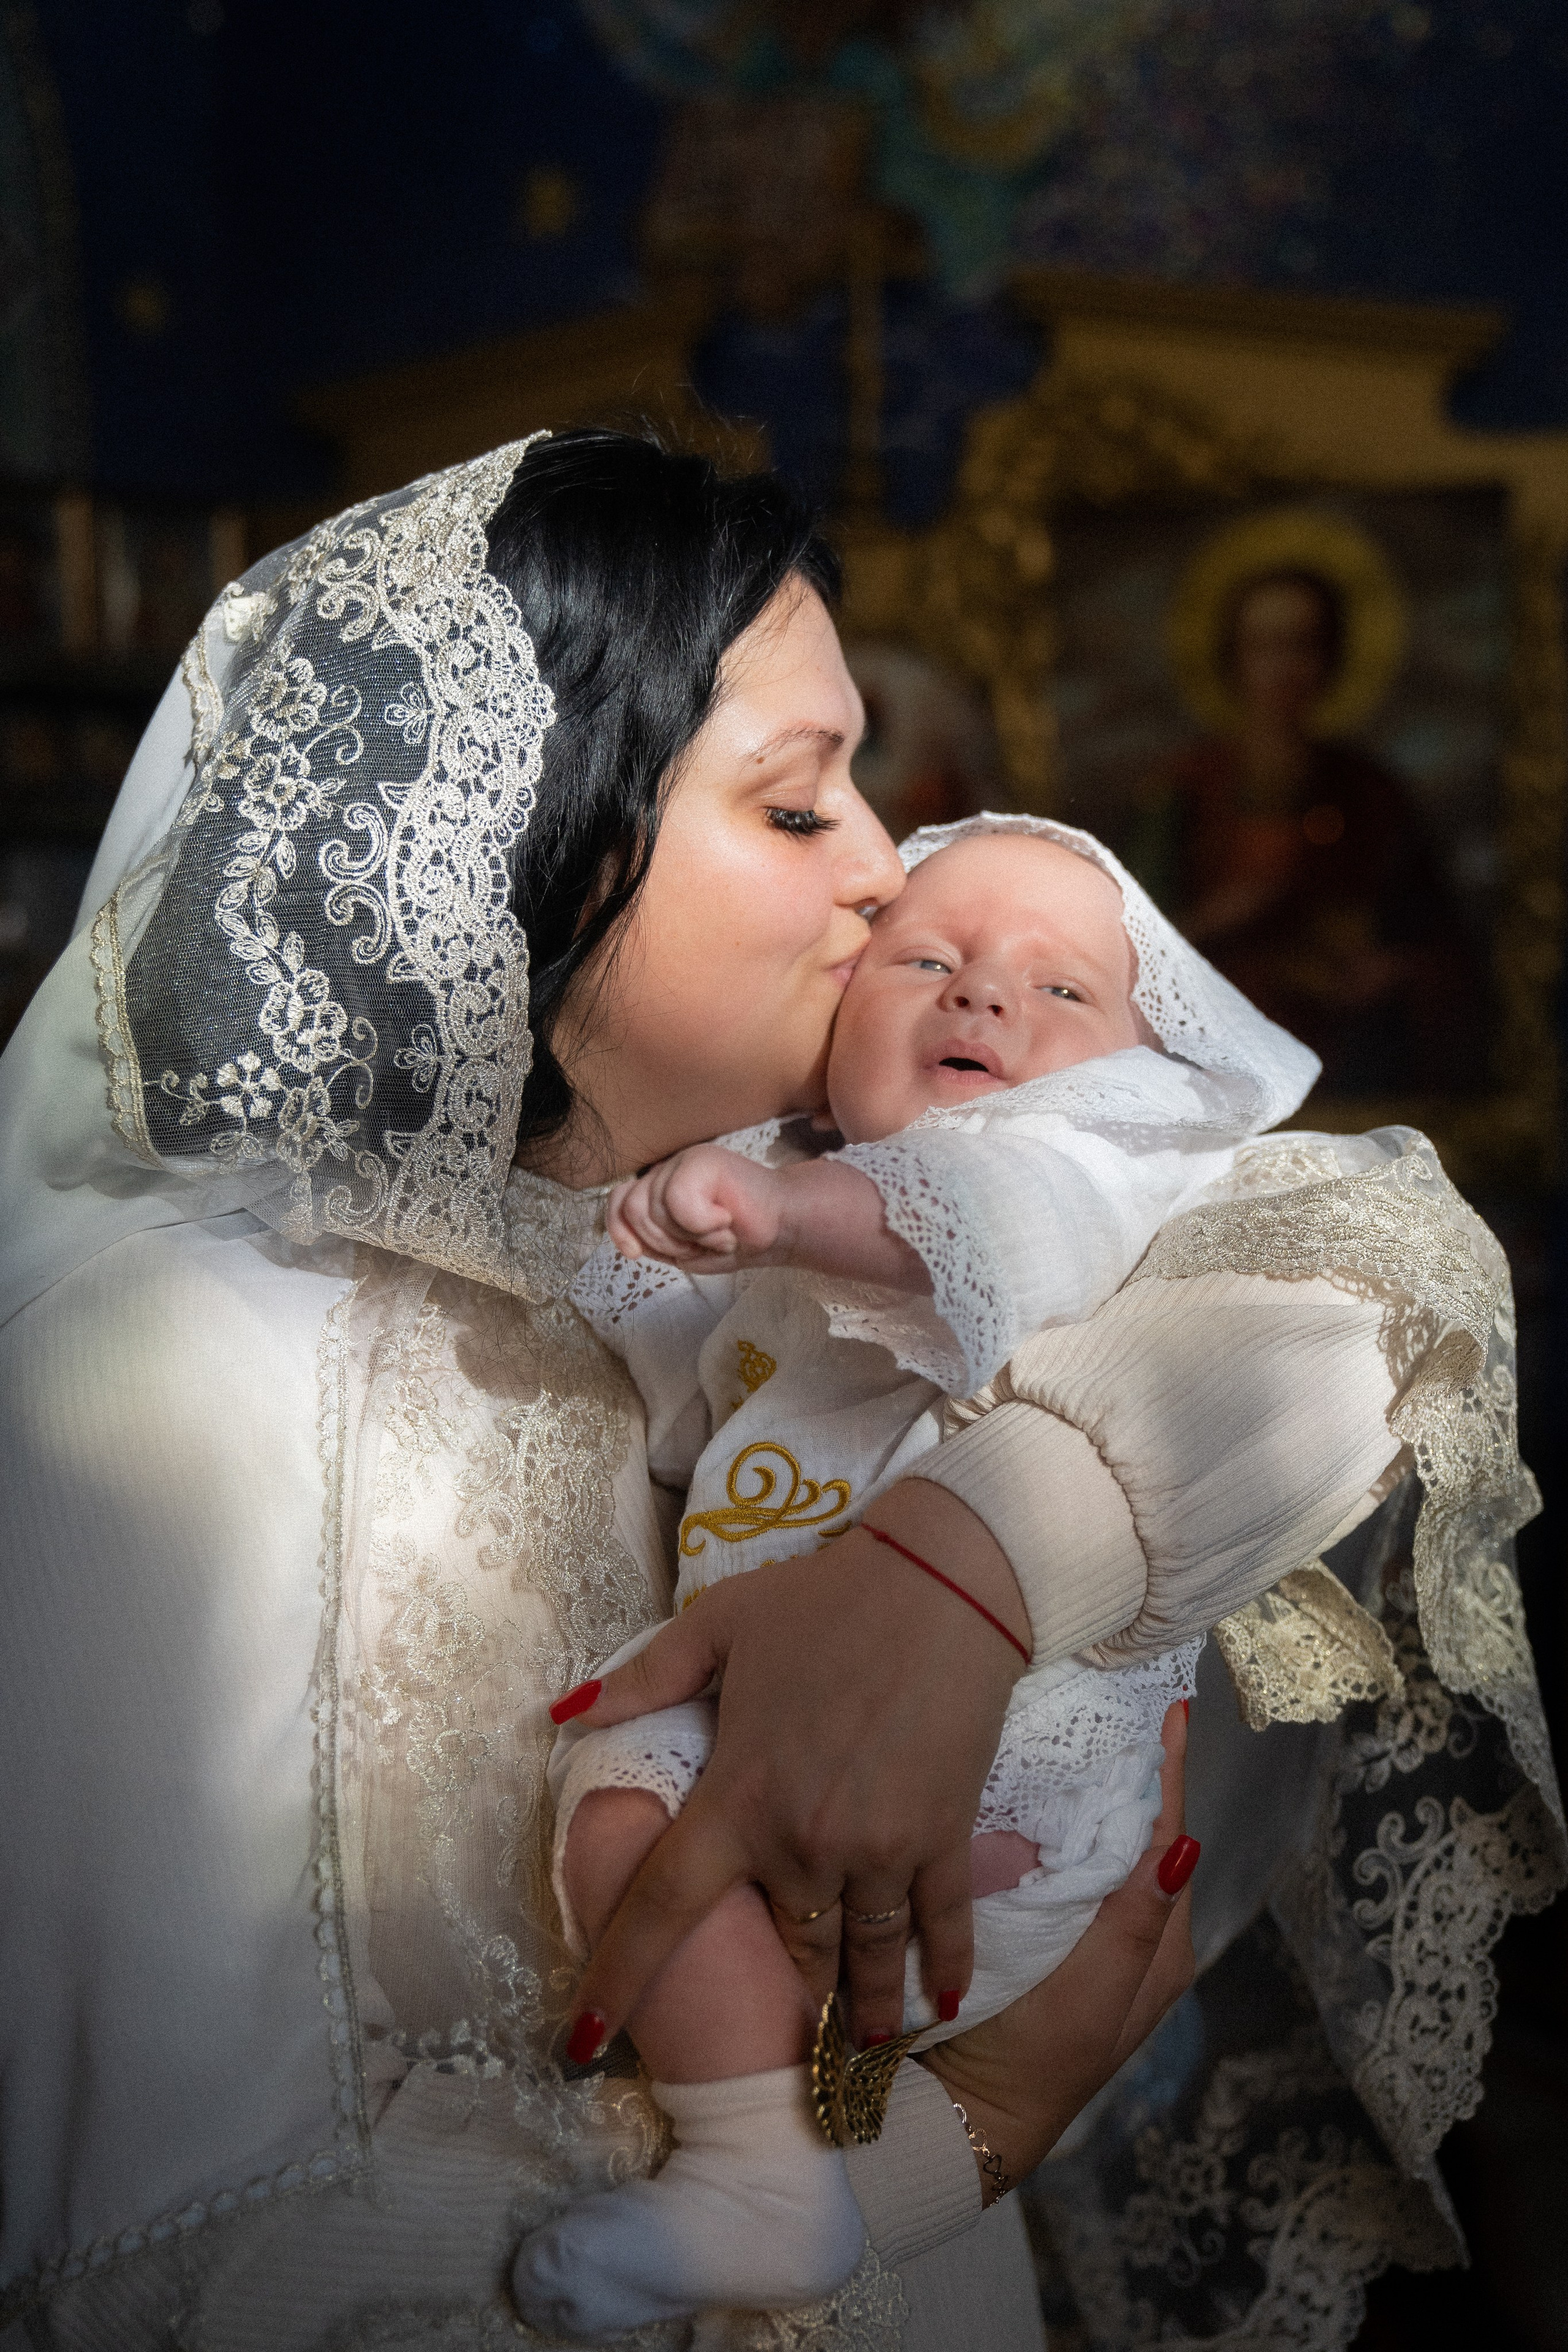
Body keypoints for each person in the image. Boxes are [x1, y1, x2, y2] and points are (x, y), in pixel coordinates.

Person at [0, 431, 1552, 2352]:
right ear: (530, 846)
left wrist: (968, 1565)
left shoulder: (736, 1236)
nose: (889, 870)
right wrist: (966, 2136)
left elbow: (1384, 1259)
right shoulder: (151, 1384)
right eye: (799, 805)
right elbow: (223, 2265)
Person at [513, 810, 1333, 2334]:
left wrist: (784, 1212)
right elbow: (678, 1376)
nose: (980, 998)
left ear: (1143, 1066)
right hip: (781, 1764)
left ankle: (774, 2153)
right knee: (617, 1801)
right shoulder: (777, 1189)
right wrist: (636, 1235)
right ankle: (758, 2167)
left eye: (1058, 990)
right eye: (925, 959)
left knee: (631, 1793)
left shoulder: (1088, 1161)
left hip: (1013, 1757)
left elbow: (986, 1217)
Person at [1133, 565, 1487, 1093]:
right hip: (1215, 1058)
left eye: (1303, 646)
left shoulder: (1371, 794)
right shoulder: (1183, 792)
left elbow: (1438, 948)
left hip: (1347, 1059)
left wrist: (1386, 972)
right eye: (1264, 647)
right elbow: (1127, 951)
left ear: (1330, 660)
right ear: (1234, 659)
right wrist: (1221, 918)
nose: (1283, 669)